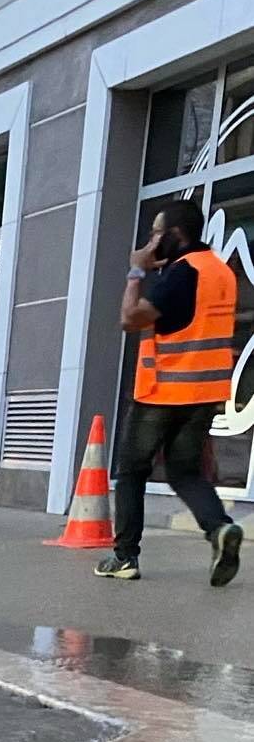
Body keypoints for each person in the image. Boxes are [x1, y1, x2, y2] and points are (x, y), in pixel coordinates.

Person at [96, 198, 242, 586]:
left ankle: (125, 557)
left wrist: (135, 270)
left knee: (131, 473)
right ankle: (219, 529)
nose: (151, 240)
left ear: (175, 236)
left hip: (163, 392)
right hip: (205, 392)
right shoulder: (220, 271)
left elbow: (130, 319)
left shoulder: (181, 274)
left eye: (156, 233)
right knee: (184, 472)